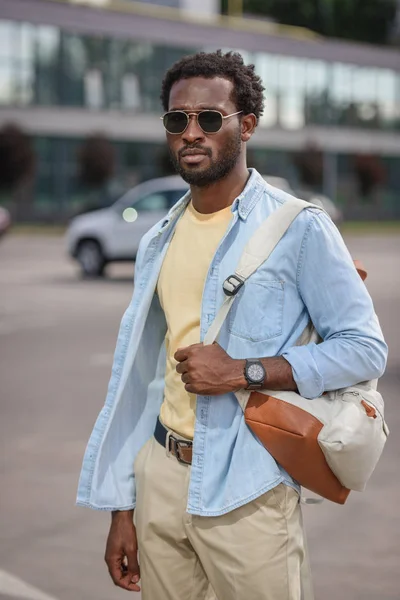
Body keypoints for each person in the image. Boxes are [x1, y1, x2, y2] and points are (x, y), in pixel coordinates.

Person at [77, 50, 387, 600]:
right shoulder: (158, 240)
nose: (191, 133)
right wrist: (122, 503)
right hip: (160, 478)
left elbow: (364, 349)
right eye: (178, 120)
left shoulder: (300, 228)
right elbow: (143, 379)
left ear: (245, 125)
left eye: (209, 118)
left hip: (249, 489)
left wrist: (244, 370)